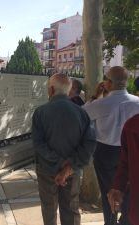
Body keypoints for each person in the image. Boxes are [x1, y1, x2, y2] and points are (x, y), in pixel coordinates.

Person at [32, 73, 96, 225]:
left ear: (51, 90)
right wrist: (69, 166)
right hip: (72, 172)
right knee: (71, 209)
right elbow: (90, 143)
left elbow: (38, 144)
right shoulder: (82, 113)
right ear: (68, 91)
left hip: (47, 170)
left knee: (49, 209)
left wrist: (59, 163)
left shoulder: (40, 112)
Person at [83, 66, 139, 225]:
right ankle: (126, 219)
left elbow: (83, 113)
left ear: (108, 83)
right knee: (131, 188)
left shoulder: (101, 103)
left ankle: (110, 221)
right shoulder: (137, 102)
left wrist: (95, 95)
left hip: (106, 152)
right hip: (131, 151)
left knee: (108, 191)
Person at [108, 112, 139, 225]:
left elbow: (125, 164)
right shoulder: (131, 126)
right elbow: (125, 163)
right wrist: (118, 188)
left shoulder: (131, 125)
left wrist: (118, 187)